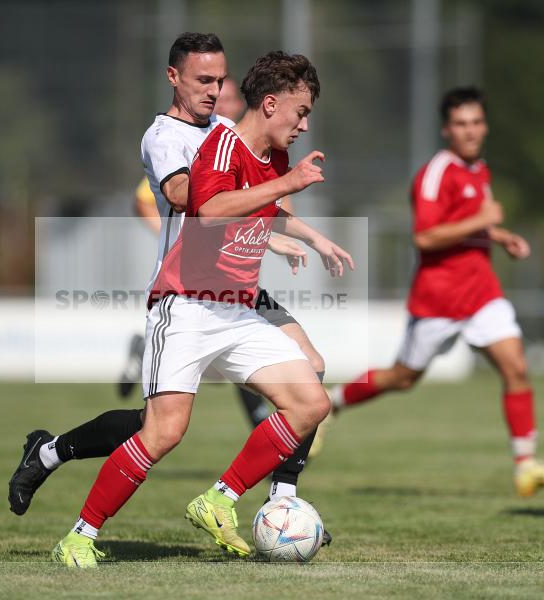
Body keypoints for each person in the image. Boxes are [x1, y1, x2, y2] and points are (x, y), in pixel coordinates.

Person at [47, 49, 352, 567]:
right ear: (272, 104)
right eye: (300, 113)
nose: (304, 125)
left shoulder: (273, 156)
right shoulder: (220, 144)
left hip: (235, 311)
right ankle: (78, 536)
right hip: (185, 307)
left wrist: (312, 237)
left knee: (310, 403)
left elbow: (266, 205)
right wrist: (287, 184)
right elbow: (208, 210)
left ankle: (219, 500)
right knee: (164, 431)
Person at [329, 87, 544, 498]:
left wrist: (498, 235)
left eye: (476, 122)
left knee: (515, 366)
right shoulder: (436, 173)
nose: (470, 130)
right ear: (446, 130)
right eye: (461, 124)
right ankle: (331, 403)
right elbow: (425, 237)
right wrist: (482, 219)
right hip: (438, 299)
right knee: (403, 378)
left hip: (481, 293)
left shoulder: (480, 170)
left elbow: (470, 222)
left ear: (485, 126)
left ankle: (526, 464)